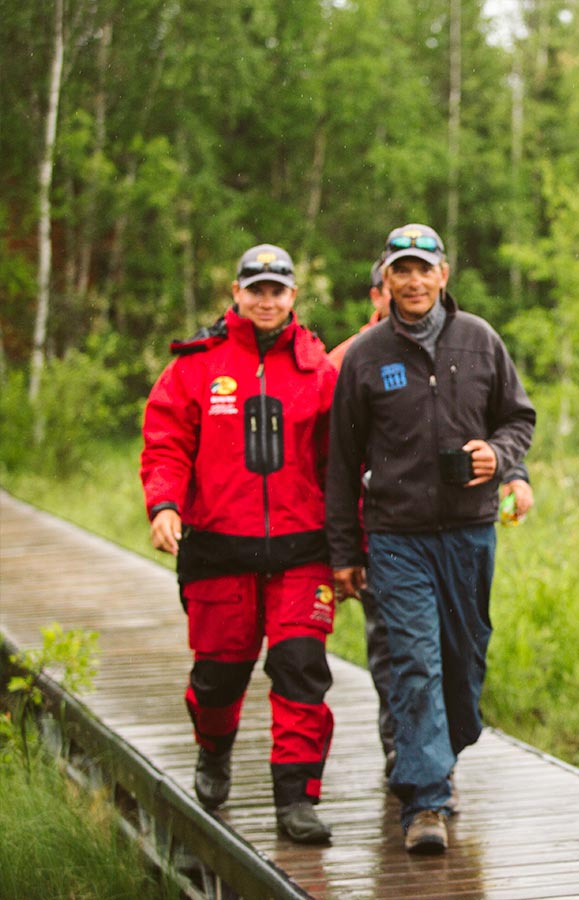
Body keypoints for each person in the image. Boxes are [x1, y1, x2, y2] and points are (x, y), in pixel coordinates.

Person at [326, 224, 535, 854]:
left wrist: (497, 457)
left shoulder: (480, 340)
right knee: (414, 660)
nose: (413, 282)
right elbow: (340, 464)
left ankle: (440, 748)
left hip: (471, 533)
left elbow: (517, 417)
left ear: (443, 274)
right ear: (384, 280)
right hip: (397, 538)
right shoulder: (365, 356)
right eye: (401, 271)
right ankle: (425, 800)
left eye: (424, 270)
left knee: (465, 663)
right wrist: (343, 554)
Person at [141, 243, 339, 844]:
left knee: (301, 669)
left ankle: (297, 800)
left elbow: (342, 460)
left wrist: (352, 547)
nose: (265, 300)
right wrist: (165, 503)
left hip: (303, 552)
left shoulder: (319, 367)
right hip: (218, 550)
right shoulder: (196, 364)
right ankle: (213, 750)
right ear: (236, 292)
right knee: (219, 678)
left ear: (292, 297)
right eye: (255, 289)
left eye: (277, 290)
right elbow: (166, 441)